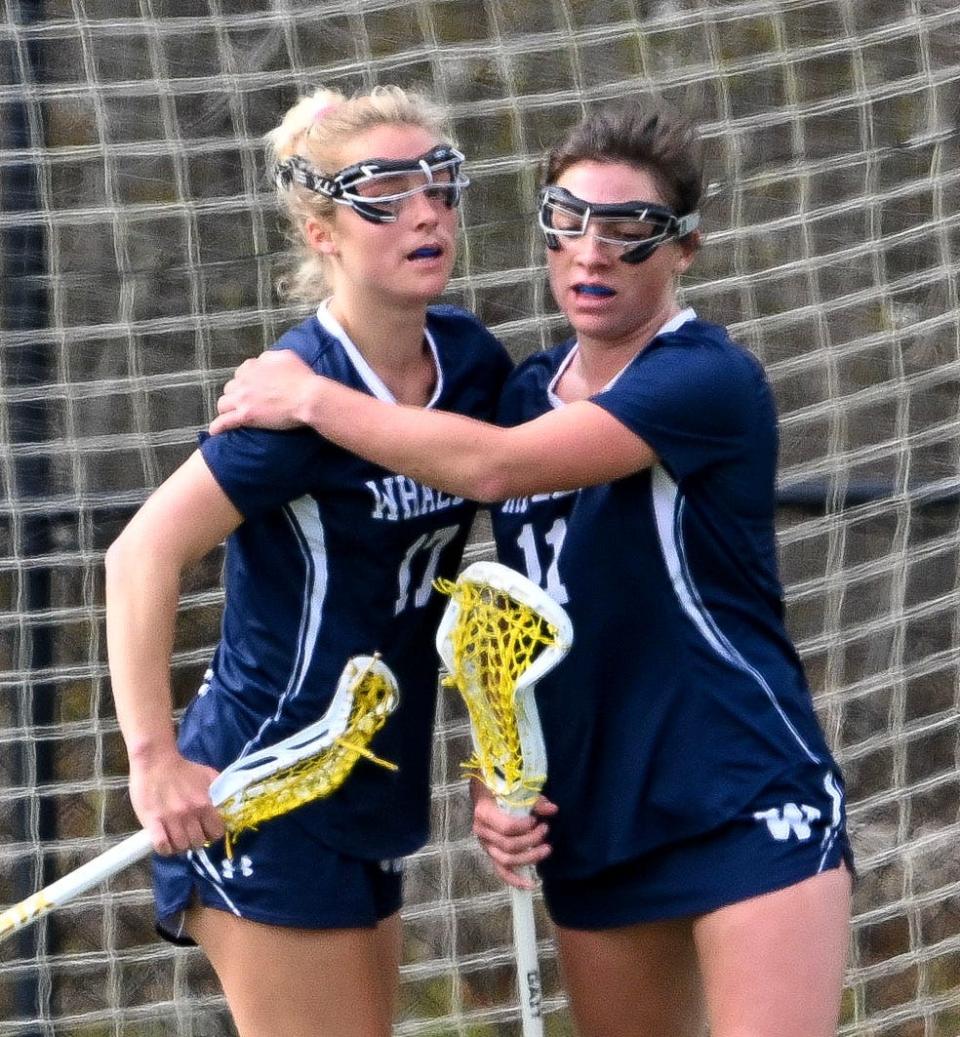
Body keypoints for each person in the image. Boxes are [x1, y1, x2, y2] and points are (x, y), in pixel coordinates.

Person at [208, 99, 853, 1037]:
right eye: (568, 222)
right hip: (596, 814)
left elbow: (493, 467)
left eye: (631, 231)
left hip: (745, 795)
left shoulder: (702, 380)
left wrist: (311, 395)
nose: (593, 254)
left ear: (684, 249)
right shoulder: (518, 391)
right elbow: (509, 618)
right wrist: (493, 773)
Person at [105, 84, 511, 1037]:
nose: (426, 212)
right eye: (385, 192)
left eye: (440, 186)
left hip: (369, 778)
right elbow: (138, 556)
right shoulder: (289, 402)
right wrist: (154, 760)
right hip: (262, 784)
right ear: (322, 231)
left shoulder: (473, 367)